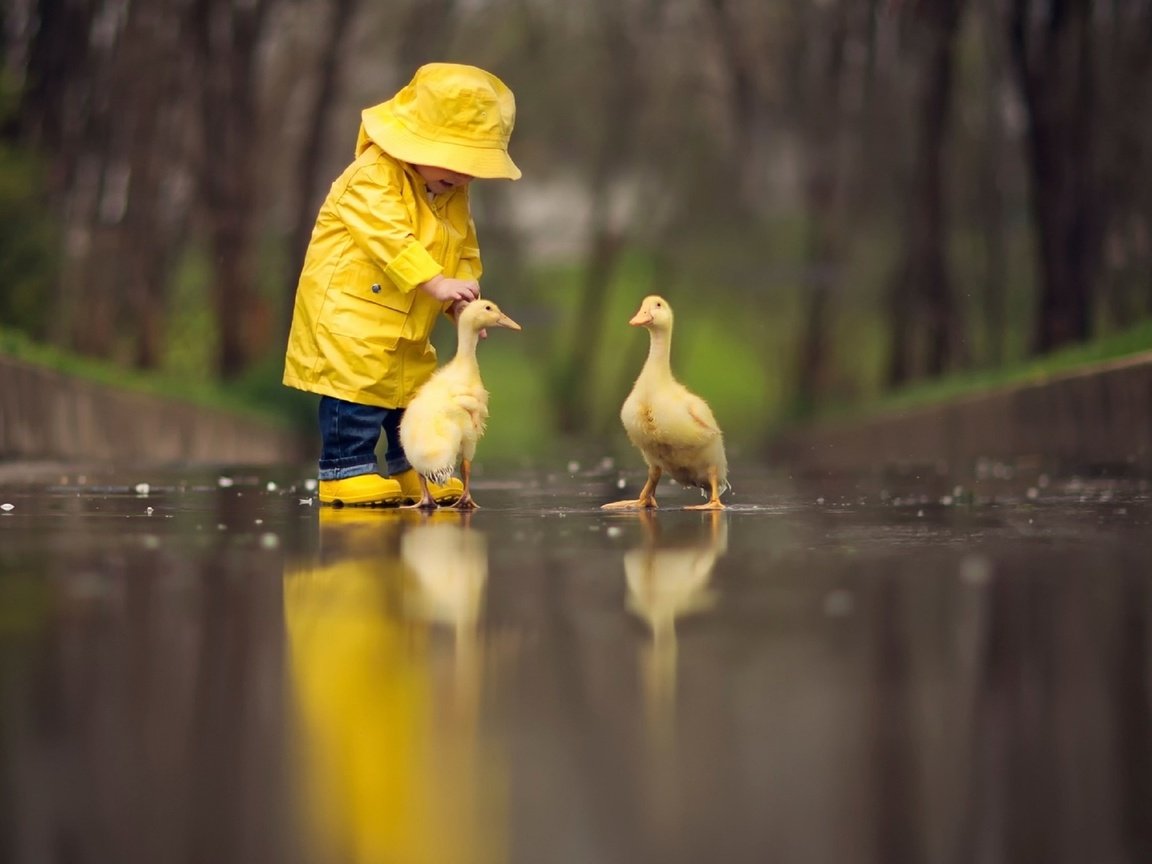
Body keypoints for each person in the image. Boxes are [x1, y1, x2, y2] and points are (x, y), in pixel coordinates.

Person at [283, 63, 521, 506]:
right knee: (355, 392)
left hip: (410, 318)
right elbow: (389, 236)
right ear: (413, 140)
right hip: (351, 316)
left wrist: (461, 298)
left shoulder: (449, 192)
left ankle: (417, 468)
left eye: (473, 168)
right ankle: (344, 469)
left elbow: (465, 247)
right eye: (455, 161)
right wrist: (434, 280)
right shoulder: (371, 176)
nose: (463, 177)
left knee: (414, 397)